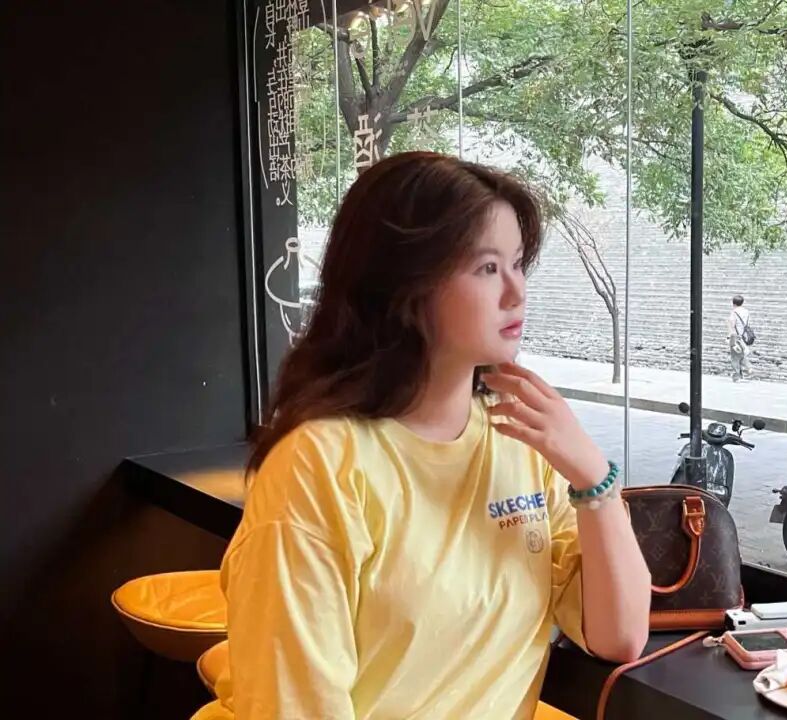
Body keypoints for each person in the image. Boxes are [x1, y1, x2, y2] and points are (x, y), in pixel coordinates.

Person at [216, 153, 651, 720]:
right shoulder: (319, 464)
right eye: (487, 268)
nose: (517, 292)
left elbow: (619, 636)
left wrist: (593, 478)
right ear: (404, 286)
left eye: (518, 263)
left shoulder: (520, 436)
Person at [728, 295, 752, 382]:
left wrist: (729, 337)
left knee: (734, 357)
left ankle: (737, 375)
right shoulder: (746, 311)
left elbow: (732, 325)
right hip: (744, 337)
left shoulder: (734, 312)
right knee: (740, 354)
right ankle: (748, 368)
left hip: (736, 336)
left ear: (733, 303)